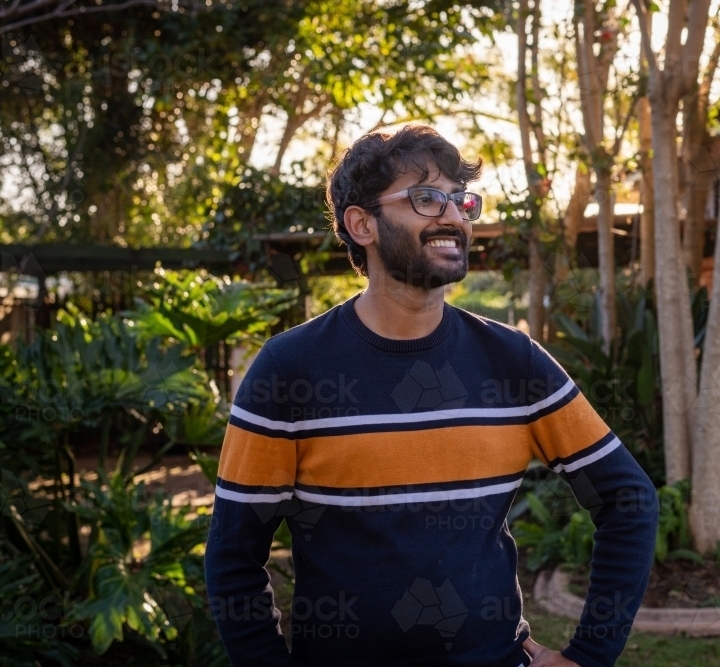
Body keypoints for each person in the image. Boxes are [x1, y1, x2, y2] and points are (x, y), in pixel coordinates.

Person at [204, 125, 658, 667]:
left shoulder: (514, 361)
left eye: (461, 200)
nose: (454, 216)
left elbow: (628, 501)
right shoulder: (288, 369)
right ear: (361, 223)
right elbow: (234, 558)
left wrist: (588, 653)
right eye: (425, 198)